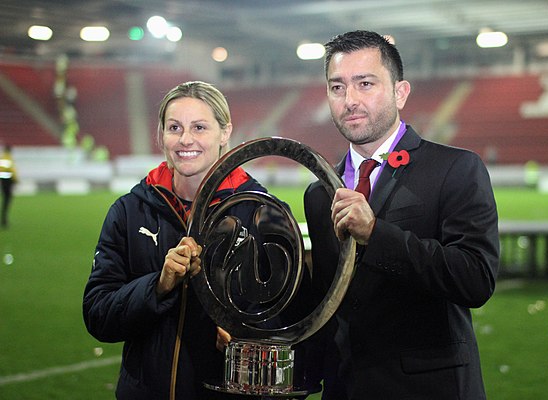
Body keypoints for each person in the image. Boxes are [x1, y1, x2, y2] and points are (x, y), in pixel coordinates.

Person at [304, 30, 499, 399]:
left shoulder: (455, 169)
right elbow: (328, 306)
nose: (350, 100)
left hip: (430, 390)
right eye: (337, 87)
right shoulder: (319, 193)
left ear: (400, 92)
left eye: (365, 84)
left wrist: (376, 233)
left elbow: (476, 279)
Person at [83, 81, 272, 400]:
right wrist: (158, 285)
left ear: (225, 132)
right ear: (161, 134)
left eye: (199, 127)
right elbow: (99, 316)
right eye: (174, 127)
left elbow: (284, 321)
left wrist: (246, 335)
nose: (186, 139)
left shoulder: (260, 211)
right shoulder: (130, 210)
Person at [0, 145, 18, 228]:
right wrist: (14, 179)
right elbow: (10, 170)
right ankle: (4, 220)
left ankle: (4, 219)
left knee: (6, 199)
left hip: (4, 181)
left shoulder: (4, 157)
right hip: (7, 181)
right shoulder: (7, 158)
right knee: (7, 199)